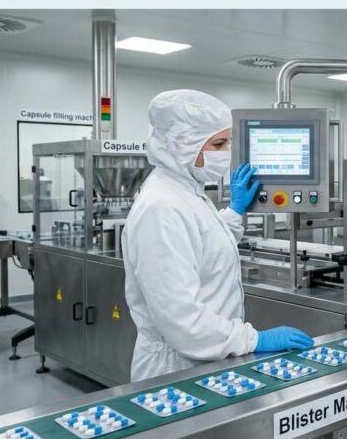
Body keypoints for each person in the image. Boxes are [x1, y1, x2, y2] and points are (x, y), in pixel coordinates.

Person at [124, 89, 313, 382]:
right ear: (183, 145)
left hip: (207, 357)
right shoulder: (161, 207)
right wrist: (254, 340)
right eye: (218, 143)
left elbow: (205, 243)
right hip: (177, 369)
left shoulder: (187, 192)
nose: (226, 152)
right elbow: (181, 319)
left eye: (228, 142)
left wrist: (235, 211)